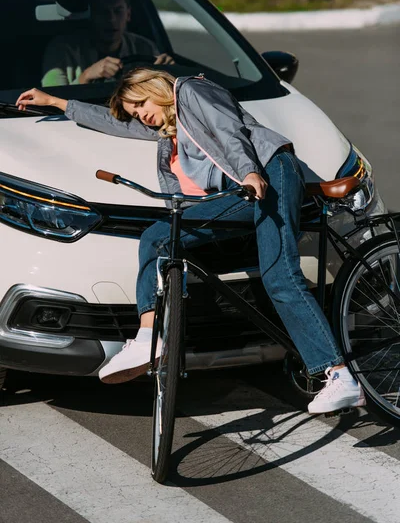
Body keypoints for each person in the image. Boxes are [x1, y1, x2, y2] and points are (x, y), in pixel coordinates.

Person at [16, 69, 366, 415]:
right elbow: (114, 123)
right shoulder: (171, 132)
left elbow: (228, 127)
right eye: (137, 113)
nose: (142, 115)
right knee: (158, 237)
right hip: (243, 188)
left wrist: (248, 170)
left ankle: (339, 376)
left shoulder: (190, 91)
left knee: (280, 276)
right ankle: (149, 337)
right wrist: (57, 102)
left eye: (141, 103)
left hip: (269, 171)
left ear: (155, 87)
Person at [41, 0, 174, 87]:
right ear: (91, 15)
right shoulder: (62, 49)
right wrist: (86, 76)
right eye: (102, 12)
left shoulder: (145, 47)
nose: (111, 19)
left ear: (128, 14)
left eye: (118, 11)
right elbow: (50, 99)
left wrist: (166, 74)